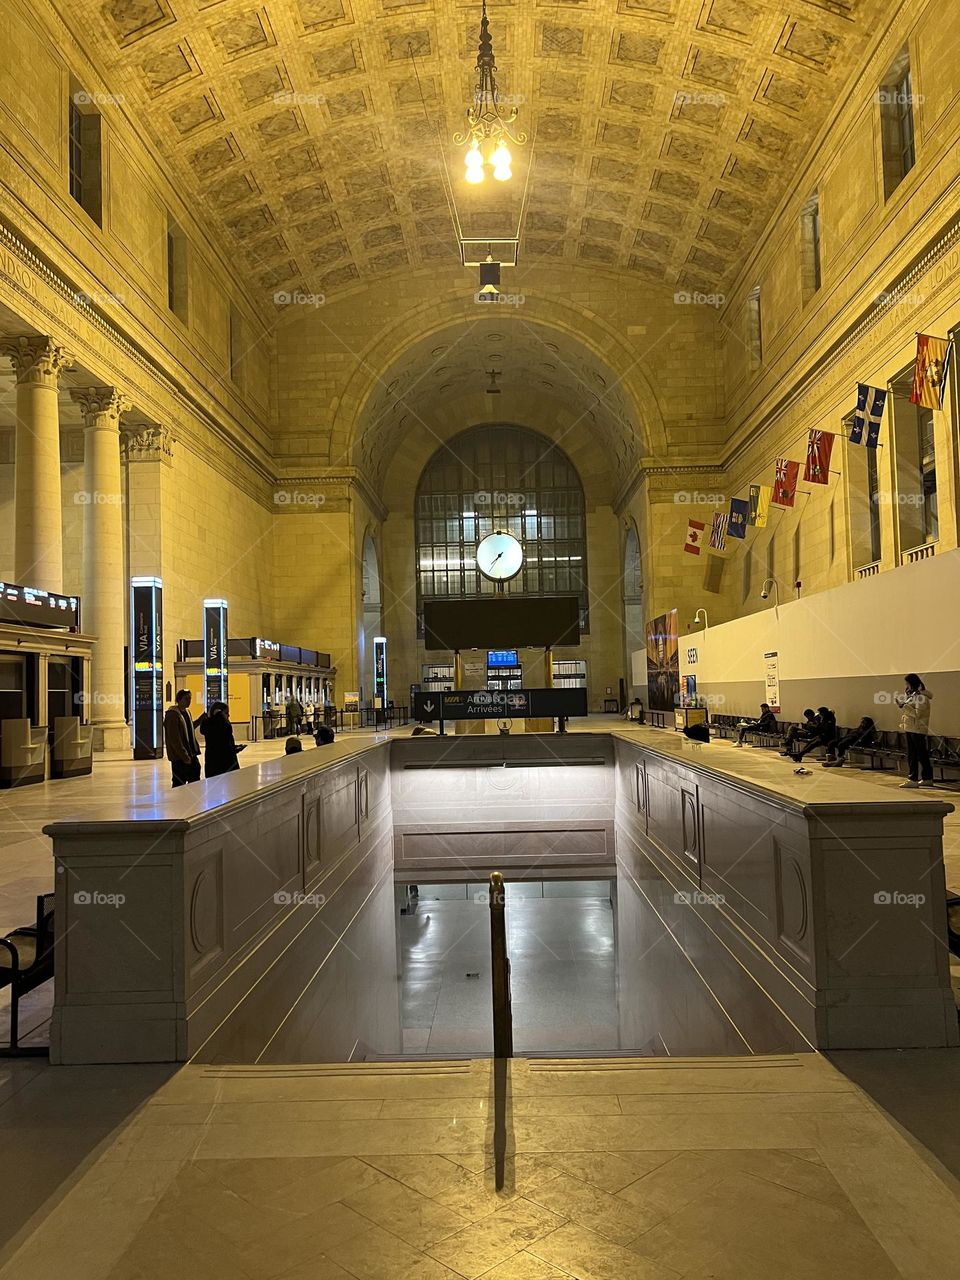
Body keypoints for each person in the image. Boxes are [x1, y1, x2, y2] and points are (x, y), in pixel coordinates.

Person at [896, 674, 934, 788]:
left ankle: (913, 778)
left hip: (917, 729)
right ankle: (927, 777)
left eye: (907, 683)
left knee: (915, 754)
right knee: (920, 754)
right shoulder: (914, 696)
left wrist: (905, 706)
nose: (906, 686)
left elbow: (918, 714)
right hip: (911, 728)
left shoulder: (921, 697)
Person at [163, 689, 201, 788]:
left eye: (190, 699)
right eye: (186, 699)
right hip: (179, 757)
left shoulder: (187, 712)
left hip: (191, 753)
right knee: (179, 783)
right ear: (179, 700)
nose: (189, 701)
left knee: (195, 779)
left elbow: (189, 729)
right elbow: (174, 738)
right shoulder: (172, 715)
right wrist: (184, 755)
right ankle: (179, 802)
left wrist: (200, 720)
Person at [200, 701, 245, 777]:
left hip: (212, 764)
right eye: (226, 713)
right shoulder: (221, 724)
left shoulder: (209, 723)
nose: (228, 715)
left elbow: (224, 742)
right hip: (224, 764)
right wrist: (219, 715)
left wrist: (235, 748)